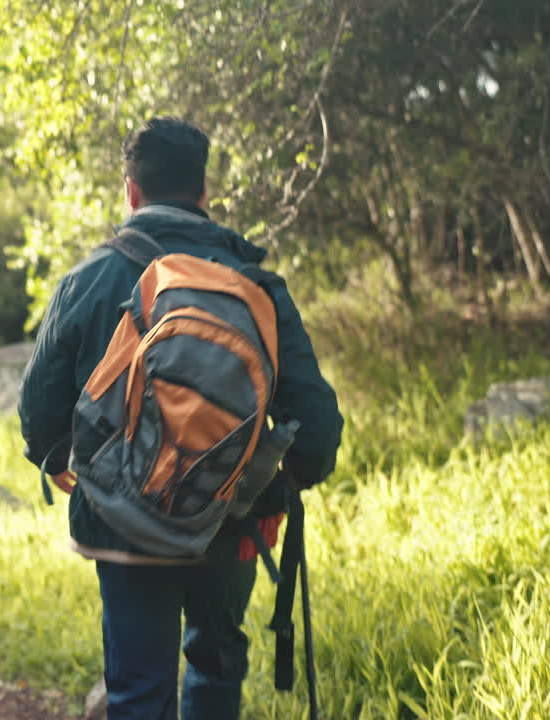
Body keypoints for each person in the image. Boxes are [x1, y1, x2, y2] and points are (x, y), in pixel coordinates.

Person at [18, 117, 343, 719]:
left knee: (139, 691)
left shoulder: (89, 280)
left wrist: (65, 460)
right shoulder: (255, 285)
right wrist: (264, 490)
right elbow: (319, 427)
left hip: (121, 523)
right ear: (203, 190)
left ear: (131, 191)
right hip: (230, 519)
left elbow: (37, 412)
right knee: (216, 668)